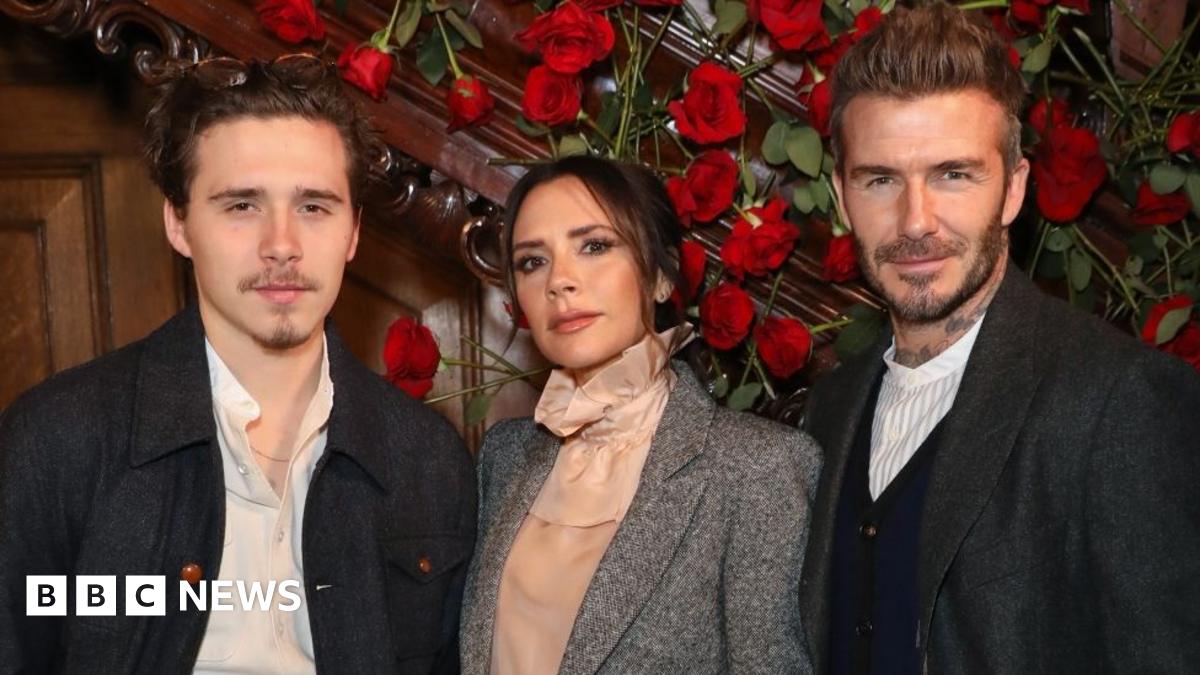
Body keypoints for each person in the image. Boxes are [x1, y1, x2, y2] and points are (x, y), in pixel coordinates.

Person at [0, 55, 475, 673]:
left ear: (354, 232)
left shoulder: (427, 460)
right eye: (242, 206)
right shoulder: (57, 439)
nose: (281, 245)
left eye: (314, 207)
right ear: (178, 223)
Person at [799, 3, 1200, 674]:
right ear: (843, 197)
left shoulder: (1120, 401)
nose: (916, 221)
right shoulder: (831, 406)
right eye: (881, 180)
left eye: (953, 174)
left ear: (1013, 190)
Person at [459, 156, 819, 674]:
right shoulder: (506, 454)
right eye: (533, 261)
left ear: (660, 278)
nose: (560, 281)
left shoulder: (757, 469)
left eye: (594, 246)